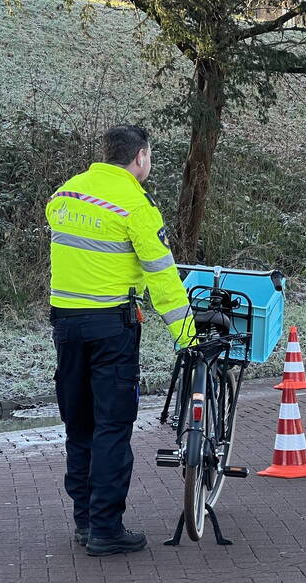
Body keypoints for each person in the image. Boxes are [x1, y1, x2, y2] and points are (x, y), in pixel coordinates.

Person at [47, 124, 195, 555]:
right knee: (112, 425)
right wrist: (186, 335)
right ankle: (106, 530)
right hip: (112, 327)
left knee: (79, 422)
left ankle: (84, 520)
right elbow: (163, 277)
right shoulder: (136, 205)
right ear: (140, 158)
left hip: (66, 325)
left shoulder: (65, 194)